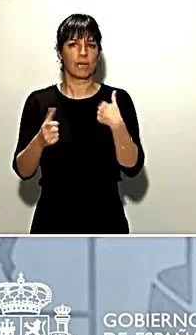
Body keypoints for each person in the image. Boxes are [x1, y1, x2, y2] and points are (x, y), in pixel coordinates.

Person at [12, 13, 145, 234]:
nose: (83, 52)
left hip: (106, 220)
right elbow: (23, 171)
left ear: (98, 52)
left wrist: (118, 127)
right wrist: (39, 142)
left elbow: (132, 167)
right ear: (59, 51)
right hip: (51, 221)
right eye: (73, 44)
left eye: (91, 45)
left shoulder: (116, 99)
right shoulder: (39, 101)